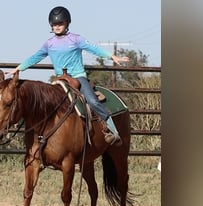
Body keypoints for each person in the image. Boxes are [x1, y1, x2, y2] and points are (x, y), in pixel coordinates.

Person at [8, 6, 129, 145]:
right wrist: (19, 68)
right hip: (60, 79)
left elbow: (94, 49)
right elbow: (35, 57)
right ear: (51, 26)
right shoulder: (49, 44)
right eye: (54, 24)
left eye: (60, 23)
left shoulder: (76, 39)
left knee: (92, 100)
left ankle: (112, 129)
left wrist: (112, 56)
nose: (57, 26)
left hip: (78, 77)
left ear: (67, 23)